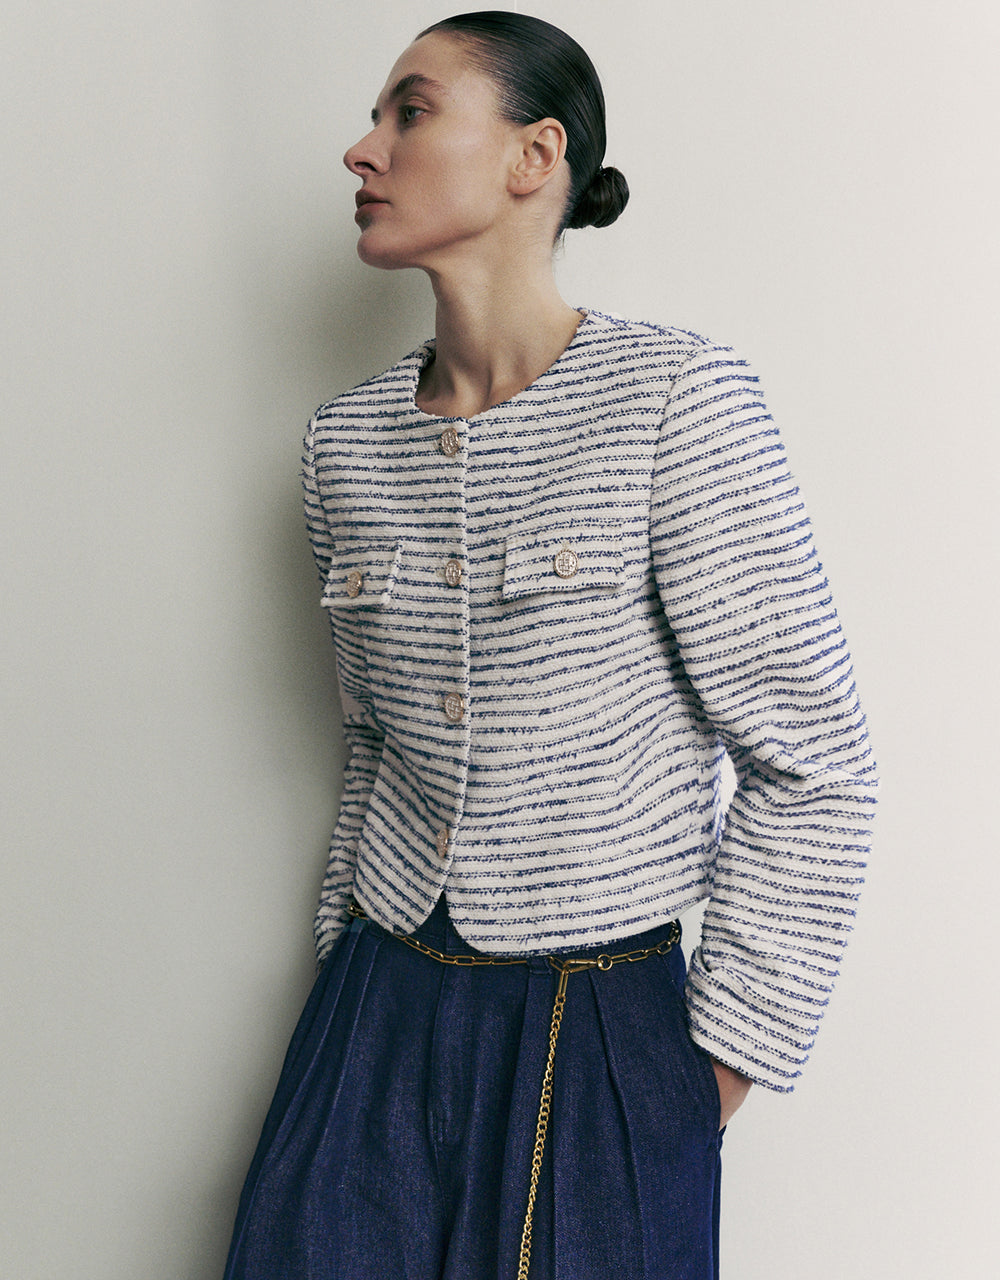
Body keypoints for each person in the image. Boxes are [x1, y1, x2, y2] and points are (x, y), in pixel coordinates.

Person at [222, 11, 878, 1279]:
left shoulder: (675, 400)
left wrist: (704, 1074)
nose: (363, 149)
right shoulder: (343, 446)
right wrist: (345, 956)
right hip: (371, 1012)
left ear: (536, 156)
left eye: (411, 112)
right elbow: (372, 743)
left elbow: (816, 763)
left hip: (599, 1030)